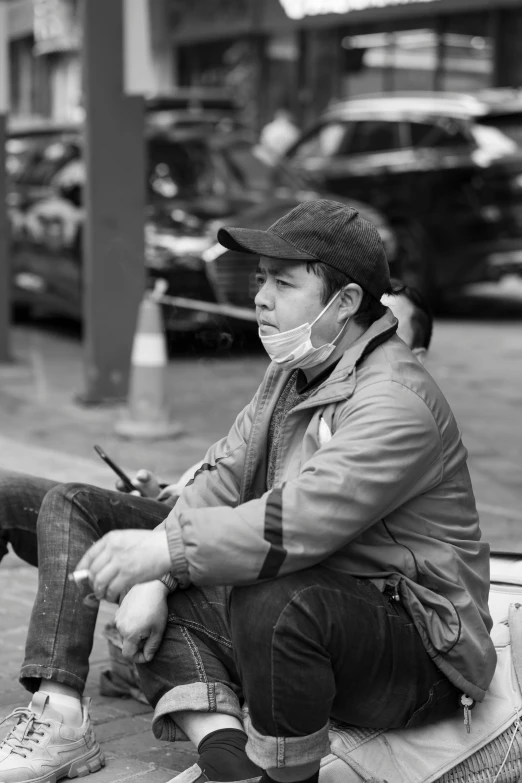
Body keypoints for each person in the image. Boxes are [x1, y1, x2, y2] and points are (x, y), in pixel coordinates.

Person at [0, 201, 493, 783]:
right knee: (178, 586)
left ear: (347, 302)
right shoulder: (291, 373)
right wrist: (158, 577)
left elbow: (298, 523)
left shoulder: (396, 401)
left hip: (422, 651)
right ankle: (225, 759)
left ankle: (286, 775)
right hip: (323, 599)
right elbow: (224, 477)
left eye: (282, 283)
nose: (260, 297)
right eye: (261, 280)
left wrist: (163, 553)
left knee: (270, 595)